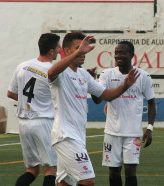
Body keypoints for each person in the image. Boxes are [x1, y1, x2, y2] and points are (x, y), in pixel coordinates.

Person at [47, 32, 140, 186]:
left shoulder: (84, 74)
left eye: (84, 47)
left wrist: (125, 85)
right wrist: (79, 51)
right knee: (88, 181)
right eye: (78, 48)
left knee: (65, 183)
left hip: (78, 136)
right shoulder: (61, 72)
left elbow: (107, 95)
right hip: (65, 136)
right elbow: (51, 72)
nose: (84, 51)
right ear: (67, 51)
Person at [90, 41, 156, 186]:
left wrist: (149, 128)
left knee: (130, 173)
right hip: (112, 133)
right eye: (117, 52)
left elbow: (151, 103)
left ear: (131, 55)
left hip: (133, 134)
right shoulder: (107, 74)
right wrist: (92, 83)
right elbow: (97, 100)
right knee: (113, 173)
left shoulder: (143, 76)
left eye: (122, 52)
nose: (118, 55)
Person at [7, 33, 59, 186]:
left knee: (32, 170)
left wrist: (28, 101)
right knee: (50, 170)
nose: (59, 50)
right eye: (57, 47)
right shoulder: (52, 70)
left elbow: (10, 93)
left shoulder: (22, 66)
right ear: (51, 51)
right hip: (43, 122)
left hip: (24, 124)